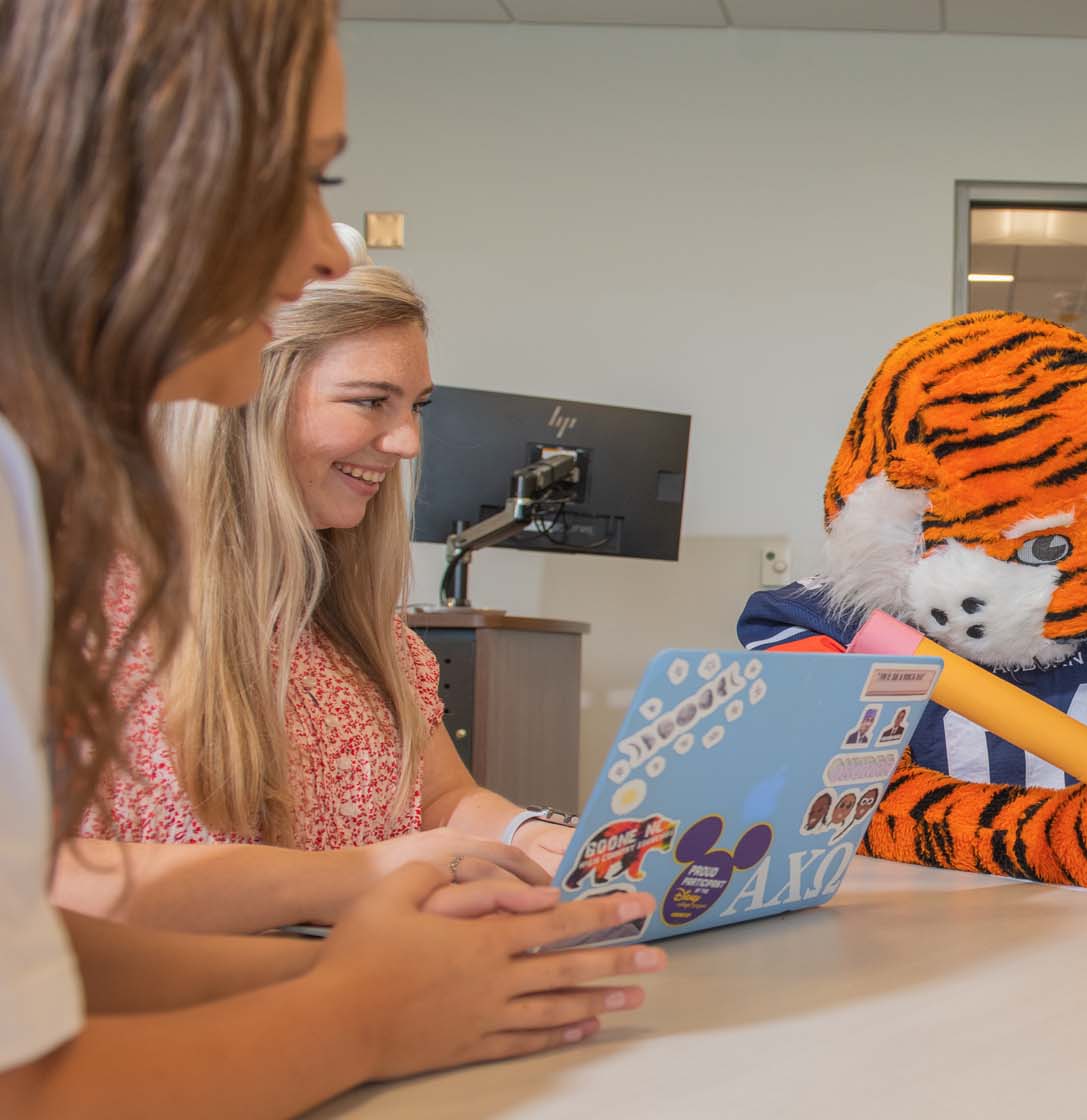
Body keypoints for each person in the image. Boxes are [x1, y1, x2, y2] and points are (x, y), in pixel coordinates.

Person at [0, 4, 661, 1114]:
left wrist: (386, 967)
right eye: (297, 180)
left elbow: (37, 954)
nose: (321, 247)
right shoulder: (72, 568)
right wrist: (362, 1002)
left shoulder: (359, 631)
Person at [54, 230, 576, 935]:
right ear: (247, 399)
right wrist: (352, 881)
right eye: (370, 402)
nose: (406, 443)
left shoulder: (355, 624)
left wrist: (524, 833)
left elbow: (445, 797)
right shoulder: (76, 612)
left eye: (416, 406)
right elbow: (36, 881)